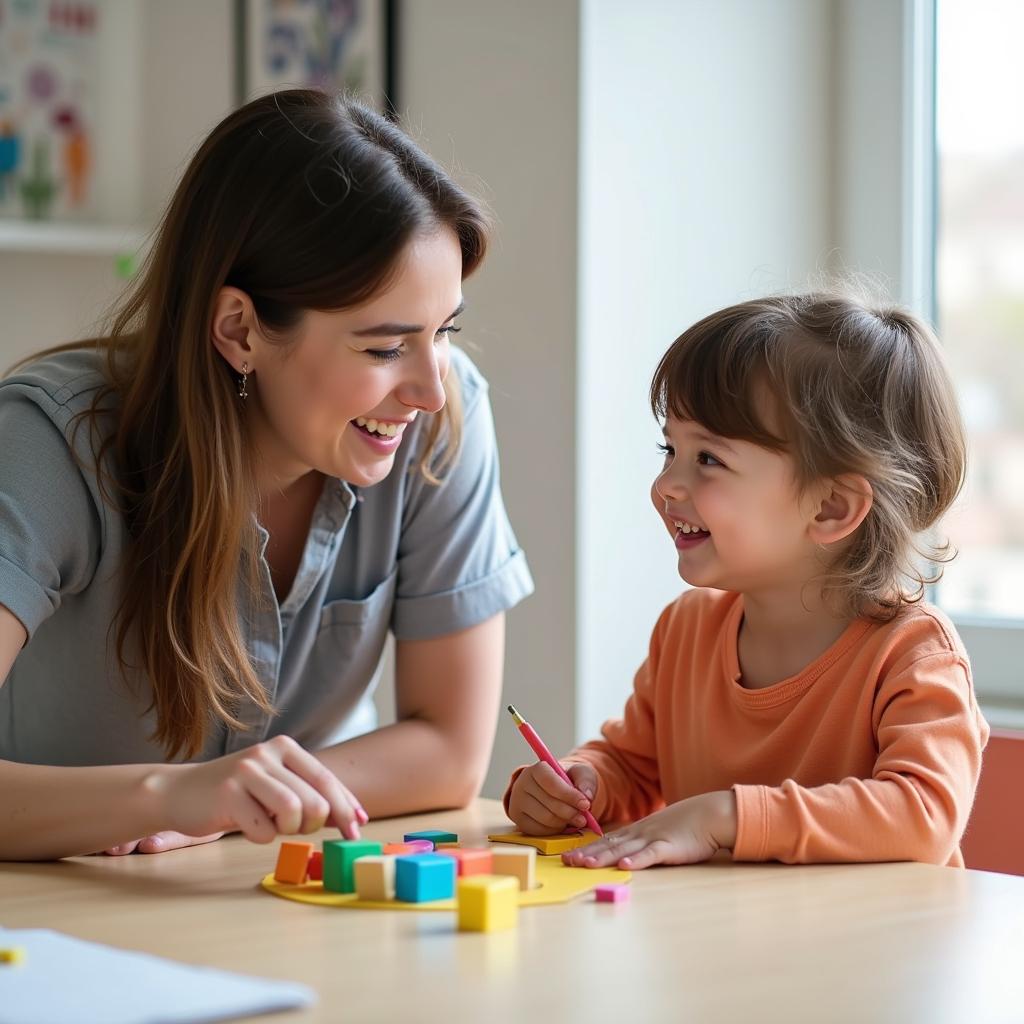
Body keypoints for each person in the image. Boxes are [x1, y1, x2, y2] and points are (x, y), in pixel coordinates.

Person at [0, 89, 533, 861]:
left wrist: (225, 807)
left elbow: (451, 752)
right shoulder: (46, 444)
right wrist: (172, 793)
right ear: (239, 330)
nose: (428, 386)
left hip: (278, 890)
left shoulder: (440, 421)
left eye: (444, 331)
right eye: (384, 347)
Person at [505, 292, 988, 869]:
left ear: (832, 507)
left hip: (872, 955)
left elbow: (923, 816)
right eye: (670, 449)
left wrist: (723, 818)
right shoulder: (686, 630)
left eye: (708, 459)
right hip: (722, 949)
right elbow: (633, 768)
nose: (666, 485)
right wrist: (579, 784)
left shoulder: (912, 654)